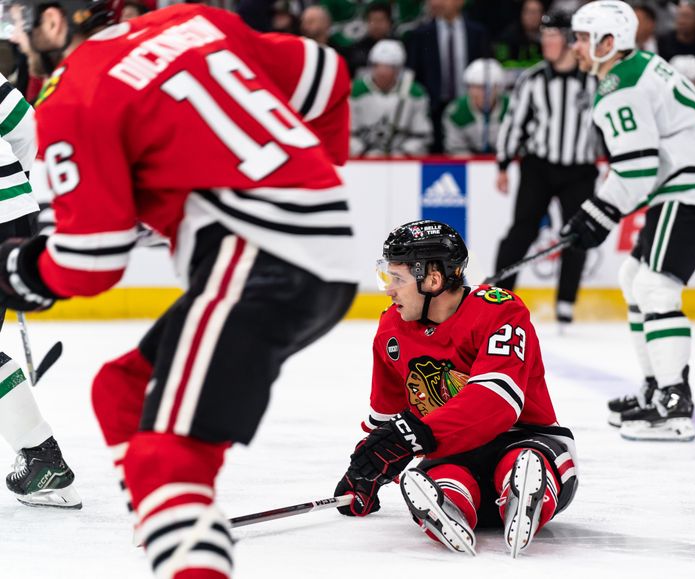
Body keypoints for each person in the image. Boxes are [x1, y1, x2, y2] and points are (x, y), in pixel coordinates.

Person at [6, 2, 357, 578]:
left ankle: (182, 532)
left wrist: (20, 272)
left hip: (259, 257)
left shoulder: (76, 94)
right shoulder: (195, 22)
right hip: (313, 248)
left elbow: (92, 262)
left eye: (21, 22)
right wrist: (314, 175)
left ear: (54, 20)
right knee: (120, 389)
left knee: (166, 457)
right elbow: (326, 73)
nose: (17, 39)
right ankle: (174, 525)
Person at [334, 220, 578, 558]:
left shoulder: (501, 310)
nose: (389, 290)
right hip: (450, 452)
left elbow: (496, 401)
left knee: (524, 458)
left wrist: (413, 436)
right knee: (440, 472)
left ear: (432, 279)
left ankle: (524, 487)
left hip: (523, 435)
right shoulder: (391, 329)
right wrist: (366, 469)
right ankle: (450, 500)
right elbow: (388, 419)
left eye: (399, 279)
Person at [566, 0, 695, 442]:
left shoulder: (619, 86)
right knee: (634, 276)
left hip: (691, 185)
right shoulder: (639, 66)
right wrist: (599, 210)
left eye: (584, 38)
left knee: (655, 286)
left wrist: (598, 213)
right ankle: (655, 389)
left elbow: (638, 169)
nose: (576, 46)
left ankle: (672, 401)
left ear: (609, 43)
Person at [0, 67, 79, 509]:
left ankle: (43, 459)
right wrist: (17, 198)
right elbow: (27, 129)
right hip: (12, 213)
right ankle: (43, 461)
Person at [494, 11, 598, 326]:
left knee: (576, 235)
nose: (546, 43)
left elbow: (606, 125)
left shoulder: (593, 79)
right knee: (521, 231)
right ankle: (499, 295)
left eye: (552, 37)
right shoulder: (533, 79)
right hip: (539, 165)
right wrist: (504, 163)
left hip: (580, 169)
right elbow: (514, 123)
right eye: (544, 36)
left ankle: (566, 302)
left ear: (569, 40)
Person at [405, 0, 490, 153]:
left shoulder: (477, 32)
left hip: (467, 107)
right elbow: (414, 75)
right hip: (432, 109)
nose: (439, 2)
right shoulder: (420, 34)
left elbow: (484, 69)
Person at [349, 40, 432, 156]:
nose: (381, 72)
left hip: (402, 160)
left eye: (388, 67)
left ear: (398, 69)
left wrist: (403, 153)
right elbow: (346, 134)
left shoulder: (415, 93)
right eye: (377, 66)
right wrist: (363, 154)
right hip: (364, 158)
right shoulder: (354, 92)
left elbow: (422, 136)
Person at [442, 58, 509, 155]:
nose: (480, 93)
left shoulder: (513, 108)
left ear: (498, 88)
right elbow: (455, 150)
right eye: (475, 87)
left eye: (486, 88)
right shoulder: (455, 112)